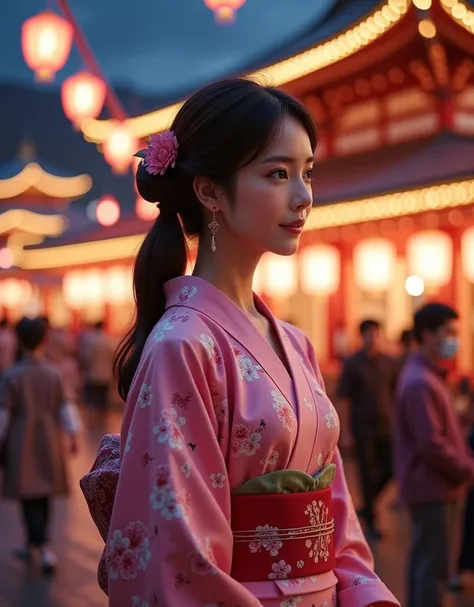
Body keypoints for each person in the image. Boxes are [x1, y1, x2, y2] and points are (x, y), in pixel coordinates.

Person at [81, 79, 399, 607]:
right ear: (209, 191)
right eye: (277, 173)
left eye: (307, 173)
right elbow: (179, 552)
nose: (304, 197)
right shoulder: (181, 346)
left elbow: (335, 509)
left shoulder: (295, 343)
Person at [393, 303, 474, 607]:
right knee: (432, 568)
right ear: (427, 335)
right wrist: (468, 468)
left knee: (427, 564)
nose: (455, 339)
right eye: (449, 333)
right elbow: (432, 445)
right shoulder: (420, 382)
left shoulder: (430, 376)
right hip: (432, 486)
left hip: (438, 484)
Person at [0, 317, 81, 572]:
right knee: (44, 493)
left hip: (20, 439)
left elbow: (3, 415)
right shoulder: (53, 373)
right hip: (49, 438)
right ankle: (39, 544)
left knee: (28, 494)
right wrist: (74, 435)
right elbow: (66, 407)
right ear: (45, 341)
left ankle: (40, 545)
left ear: (19, 341)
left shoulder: (11, 375)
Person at [337, 319, 397, 540]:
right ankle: (371, 521)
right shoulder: (353, 363)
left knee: (392, 467)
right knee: (366, 472)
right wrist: (346, 433)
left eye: (376, 334)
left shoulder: (388, 362)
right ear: (362, 336)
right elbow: (344, 399)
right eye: (369, 334)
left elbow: (396, 393)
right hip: (362, 426)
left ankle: (368, 505)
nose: (373, 338)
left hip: (387, 425)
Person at [83, 321, 114, 413]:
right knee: (103, 395)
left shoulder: (90, 340)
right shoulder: (108, 339)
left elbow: (86, 357)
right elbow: (113, 356)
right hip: (105, 371)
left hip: (93, 370)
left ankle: (92, 411)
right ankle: (102, 412)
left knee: (93, 394)